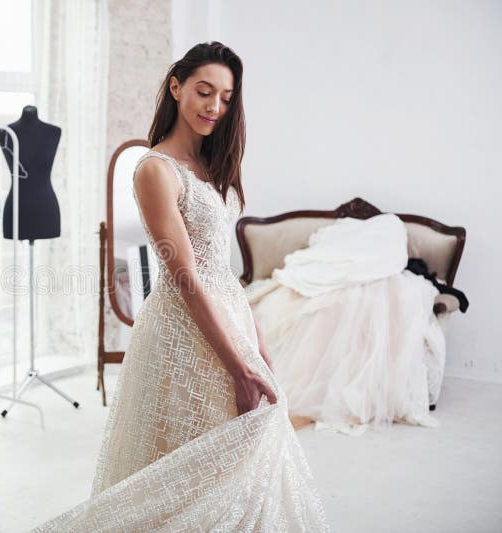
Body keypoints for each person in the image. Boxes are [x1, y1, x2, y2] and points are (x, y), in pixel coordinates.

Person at [34, 41, 329, 532]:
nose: (215, 107)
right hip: (183, 334)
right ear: (176, 87)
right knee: (187, 463)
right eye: (204, 91)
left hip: (227, 316)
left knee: (241, 463)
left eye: (226, 97)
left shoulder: (214, 167)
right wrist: (237, 366)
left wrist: (254, 339)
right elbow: (187, 276)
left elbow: (222, 271)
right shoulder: (155, 169)